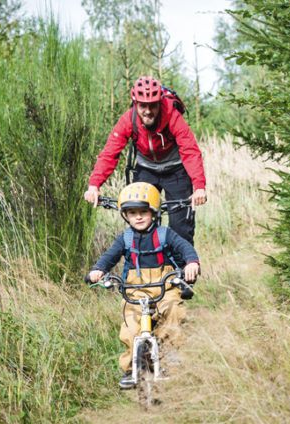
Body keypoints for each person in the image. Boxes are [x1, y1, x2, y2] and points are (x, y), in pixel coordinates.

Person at [88, 182, 200, 390]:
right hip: (135, 288)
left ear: (154, 213)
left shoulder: (165, 233)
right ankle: (131, 368)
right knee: (130, 322)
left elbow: (185, 248)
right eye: (132, 213)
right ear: (125, 215)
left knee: (173, 311)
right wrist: (98, 270)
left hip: (164, 285)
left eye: (143, 212)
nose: (138, 217)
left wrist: (192, 263)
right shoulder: (125, 238)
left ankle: (172, 356)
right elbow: (109, 256)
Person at [84, 76, 206, 245]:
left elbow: (190, 151)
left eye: (153, 105)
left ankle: (183, 270)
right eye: (143, 105)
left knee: (181, 229)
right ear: (135, 104)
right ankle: (145, 269)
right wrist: (94, 186)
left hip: (176, 171)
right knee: (141, 226)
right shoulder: (128, 120)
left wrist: (199, 187)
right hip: (146, 170)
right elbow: (110, 153)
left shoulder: (172, 116)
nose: (148, 111)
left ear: (160, 102)